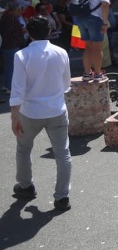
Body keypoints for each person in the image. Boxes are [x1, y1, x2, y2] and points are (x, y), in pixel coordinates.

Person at [10, 16, 72, 211]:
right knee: (63, 153)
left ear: (28, 32)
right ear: (49, 31)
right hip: (56, 109)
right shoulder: (61, 52)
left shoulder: (22, 55)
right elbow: (66, 84)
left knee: (24, 148)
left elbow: (17, 89)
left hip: (30, 111)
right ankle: (62, 197)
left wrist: (14, 117)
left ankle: (26, 186)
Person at [74, 0, 116, 80]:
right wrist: (105, 23)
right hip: (95, 19)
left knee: (87, 48)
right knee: (97, 49)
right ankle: (98, 74)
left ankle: (87, 73)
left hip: (81, 18)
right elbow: (105, 5)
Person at [1, 3, 26, 95]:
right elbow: (16, 31)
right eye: (19, 10)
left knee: (8, 66)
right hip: (11, 45)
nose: (21, 12)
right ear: (15, 10)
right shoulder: (11, 18)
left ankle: (7, 85)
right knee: (12, 67)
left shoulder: (5, 17)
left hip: (6, 45)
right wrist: (23, 29)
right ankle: (10, 87)